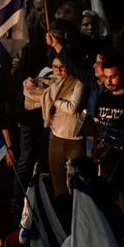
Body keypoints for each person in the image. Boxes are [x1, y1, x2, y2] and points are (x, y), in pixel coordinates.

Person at [22, 55, 85, 196]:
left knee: (76, 185)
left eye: (62, 67)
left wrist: (52, 99)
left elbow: (72, 107)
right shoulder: (51, 83)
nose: (58, 70)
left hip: (74, 141)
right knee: (58, 183)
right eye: (55, 67)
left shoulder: (76, 83)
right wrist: (30, 85)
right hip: (55, 138)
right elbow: (35, 93)